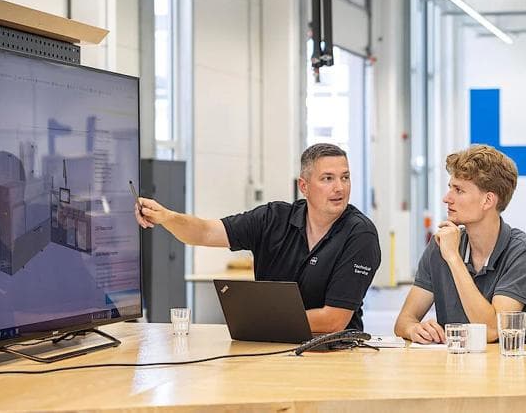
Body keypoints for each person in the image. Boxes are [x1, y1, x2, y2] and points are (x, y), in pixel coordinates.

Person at [135, 143, 381, 333]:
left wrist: (257, 320)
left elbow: (334, 321)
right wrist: (166, 217)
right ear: (303, 186)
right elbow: (205, 232)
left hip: (334, 354)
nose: (340, 188)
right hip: (272, 347)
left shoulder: (360, 235)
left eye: (345, 177)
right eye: (328, 179)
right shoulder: (272, 219)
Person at [394, 145, 526, 344]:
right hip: (458, 369)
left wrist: (453, 258)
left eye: (458, 190)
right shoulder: (440, 244)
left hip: (512, 371)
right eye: (450, 187)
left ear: (487, 200)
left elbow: (493, 330)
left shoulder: (525, 252)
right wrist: (415, 329)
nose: (447, 198)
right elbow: (403, 322)